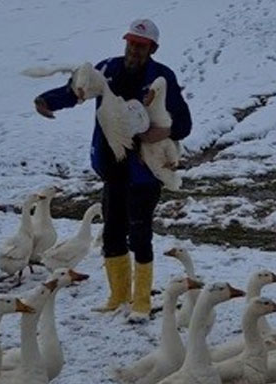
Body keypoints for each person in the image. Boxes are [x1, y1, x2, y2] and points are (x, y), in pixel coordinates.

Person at [33, 19, 192, 323]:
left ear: (152, 49)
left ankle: (142, 301)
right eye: (131, 43)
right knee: (113, 233)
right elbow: (76, 90)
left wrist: (161, 133)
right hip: (112, 165)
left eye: (141, 45)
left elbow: (184, 123)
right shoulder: (108, 69)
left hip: (145, 171)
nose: (134, 49)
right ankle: (118, 296)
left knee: (140, 234)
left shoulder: (162, 77)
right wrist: (47, 101)